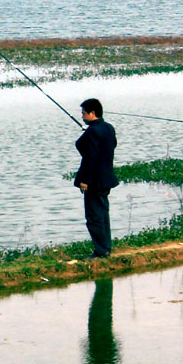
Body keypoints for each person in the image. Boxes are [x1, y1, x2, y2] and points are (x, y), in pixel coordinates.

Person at [75, 98, 119, 259]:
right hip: (106, 179)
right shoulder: (108, 128)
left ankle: (101, 251)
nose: (82, 116)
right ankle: (106, 247)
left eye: (83, 113)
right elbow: (110, 146)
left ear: (92, 113)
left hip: (94, 180)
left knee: (94, 216)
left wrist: (85, 180)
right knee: (103, 213)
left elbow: (91, 158)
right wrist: (88, 136)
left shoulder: (93, 132)